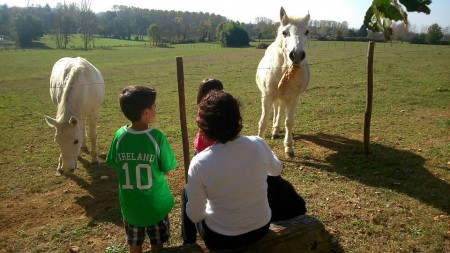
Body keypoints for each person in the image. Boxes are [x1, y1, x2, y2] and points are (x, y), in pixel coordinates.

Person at [181, 90, 282, 250]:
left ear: (204, 126)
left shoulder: (199, 163)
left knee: (187, 192)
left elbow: (195, 215)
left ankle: (188, 244)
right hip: (261, 227)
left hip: (221, 239)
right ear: (237, 117)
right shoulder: (258, 143)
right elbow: (276, 170)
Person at [106, 86, 178, 253]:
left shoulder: (119, 136)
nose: (156, 108)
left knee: (135, 245)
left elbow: (115, 162)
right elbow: (168, 170)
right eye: (154, 106)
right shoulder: (156, 137)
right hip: (155, 206)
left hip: (131, 208)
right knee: (157, 246)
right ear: (146, 112)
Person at [193, 78, 224, 154]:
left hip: (202, 146)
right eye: (220, 91)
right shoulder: (209, 110)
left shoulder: (203, 106)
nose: (222, 94)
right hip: (209, 149)